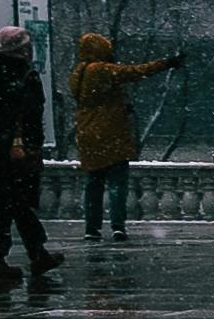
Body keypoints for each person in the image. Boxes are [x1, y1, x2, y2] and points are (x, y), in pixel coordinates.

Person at [69, 29, 179, 242]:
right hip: (110, 134)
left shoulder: (79, 72)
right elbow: (135, 71)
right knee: (117, 183)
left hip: (88, 133)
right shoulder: (100, 70)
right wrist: (165, 63)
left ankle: (92, 227)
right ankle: (118, 226)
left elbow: (96, 99)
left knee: (94, 184)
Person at [0, 26, 55, 293]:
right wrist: (23, 140)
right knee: (12, 204)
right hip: (17, 152)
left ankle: (35, 253)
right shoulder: (23, 76)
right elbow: (30, 115)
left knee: (13, 204)